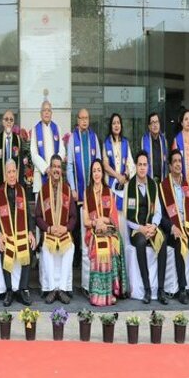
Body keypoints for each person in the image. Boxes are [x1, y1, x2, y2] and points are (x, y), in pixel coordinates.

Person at [159, 149, 189, 304]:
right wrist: (172, 227)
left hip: (188, 229)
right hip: (173, 230)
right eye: (175, 162)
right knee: (180, 243)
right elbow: (160, 216)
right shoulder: (164, 186)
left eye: (180, 161)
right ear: (170, 166)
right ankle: (182, 289)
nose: (178, 164)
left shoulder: (187, 186)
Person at [66, 108, 102, 294]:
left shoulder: (94, 138)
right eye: (81, 118)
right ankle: (84, 282)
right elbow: (70, 165)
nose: (84, 121)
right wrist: (72, 187)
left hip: (95, 195)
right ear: (77, 120)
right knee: (83, 236)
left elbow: (99, 164)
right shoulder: (73, 139)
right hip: (79, 195)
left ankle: (96, 279)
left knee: (95, 237)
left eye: (87, 118)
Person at [83, 158, 127, 306]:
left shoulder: (109, 191)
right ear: (91, 174)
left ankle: (109, 293)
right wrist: (96, 223)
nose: (96, 174)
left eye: (99, 171)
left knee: (110, 245)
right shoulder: (87, 192)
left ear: (103, 173)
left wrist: (104, 220)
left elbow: (114, 218)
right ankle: (97, 294)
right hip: (93, 232)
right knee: (99, 246)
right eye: (94, 171)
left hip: (108, 230)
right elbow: (85, 221)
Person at [125, 151, 167, 305]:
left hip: (151, 226)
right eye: (140, 165)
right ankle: (147, 289)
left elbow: (158, 211)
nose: (142, 168)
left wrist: (154, 226)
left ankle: (161, 289)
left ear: (148, 166)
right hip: (137, 230)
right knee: (141, 242)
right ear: (135, 166)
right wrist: (141, 228)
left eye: (145, 165)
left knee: (163, 240)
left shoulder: (153, 185)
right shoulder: (129, 186)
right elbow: (127, 218)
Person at [35, 155, 77, 304]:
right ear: (50, 169)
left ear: (61, 170)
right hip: (50, 233)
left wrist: (65, 228)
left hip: (63, 233)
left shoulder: (67, 190)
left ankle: (63, 289)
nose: (57, 170)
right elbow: (38, 217)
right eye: (54, 166)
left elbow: (73, 216)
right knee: (46, 248)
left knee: (70, 248)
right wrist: (49, 228)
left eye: (59, 167)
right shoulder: (43, 191)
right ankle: (52, 289)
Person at [0, 159, 37, 307]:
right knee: (3, 247)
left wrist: (31, 232)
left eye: (14, 171)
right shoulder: (0, 193)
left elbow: (29, 216)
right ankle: (9, 291)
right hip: (6, 233)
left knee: (30, 245)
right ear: (5, 175)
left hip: (21, 232)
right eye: (9, 172)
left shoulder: (22, 191)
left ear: (16, 173)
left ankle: (22, 289)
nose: (12, 175)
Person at [30, 100, 66, 194]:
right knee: (41, 206)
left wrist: (54, 167)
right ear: (40, 113)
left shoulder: (57, 128)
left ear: (51, 113)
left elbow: (62, 150)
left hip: (56, 175)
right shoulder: (35, 130)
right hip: (41, 175)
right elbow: (34, 154)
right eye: (44, 110)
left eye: (49, 110)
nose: (46, 112)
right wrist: (46, 169)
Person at [103, 113, 135, 209]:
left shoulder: (125, 142)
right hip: (110, 184)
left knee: (122, 212)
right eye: (114, 123)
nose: (116, 125)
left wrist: (125, 176)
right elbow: (105, 165)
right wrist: (118, 176)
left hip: (123, 185)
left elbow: (130, 164)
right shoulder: (106, 142)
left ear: (121, 125)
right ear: (111, 126)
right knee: (110, 211)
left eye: (118, 123)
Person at [0, 110, 21, 191]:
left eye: (11, 120)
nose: (9, 122)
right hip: (1, 182)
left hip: (14, 181)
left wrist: (21, 187)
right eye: (6, 119)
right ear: (3, 122)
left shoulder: (18, 140)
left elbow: (21, 166)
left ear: (13, 123)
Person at [141, 112, 168, 182]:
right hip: (148, 179)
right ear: (149, 126)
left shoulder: (163, 140)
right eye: (152, 122)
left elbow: (166, 161)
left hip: (162, 179)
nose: (155, 125)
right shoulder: (144, 140)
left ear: (159, 124)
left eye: (156, 122)